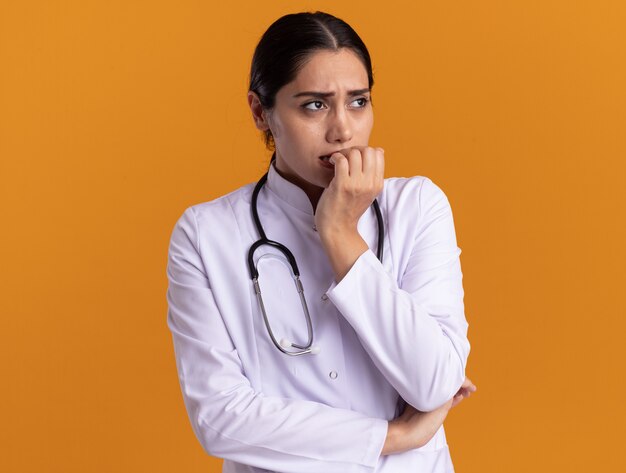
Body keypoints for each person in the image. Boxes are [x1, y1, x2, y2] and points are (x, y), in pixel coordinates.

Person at [166, 11, 476, 473]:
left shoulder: (418, 208)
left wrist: (340, 235)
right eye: (314, 105)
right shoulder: (205, 235)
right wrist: (394, 437)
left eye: (358, 101)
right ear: (260, 112)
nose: (343, 130)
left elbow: (432, 383)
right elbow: (220, 418)